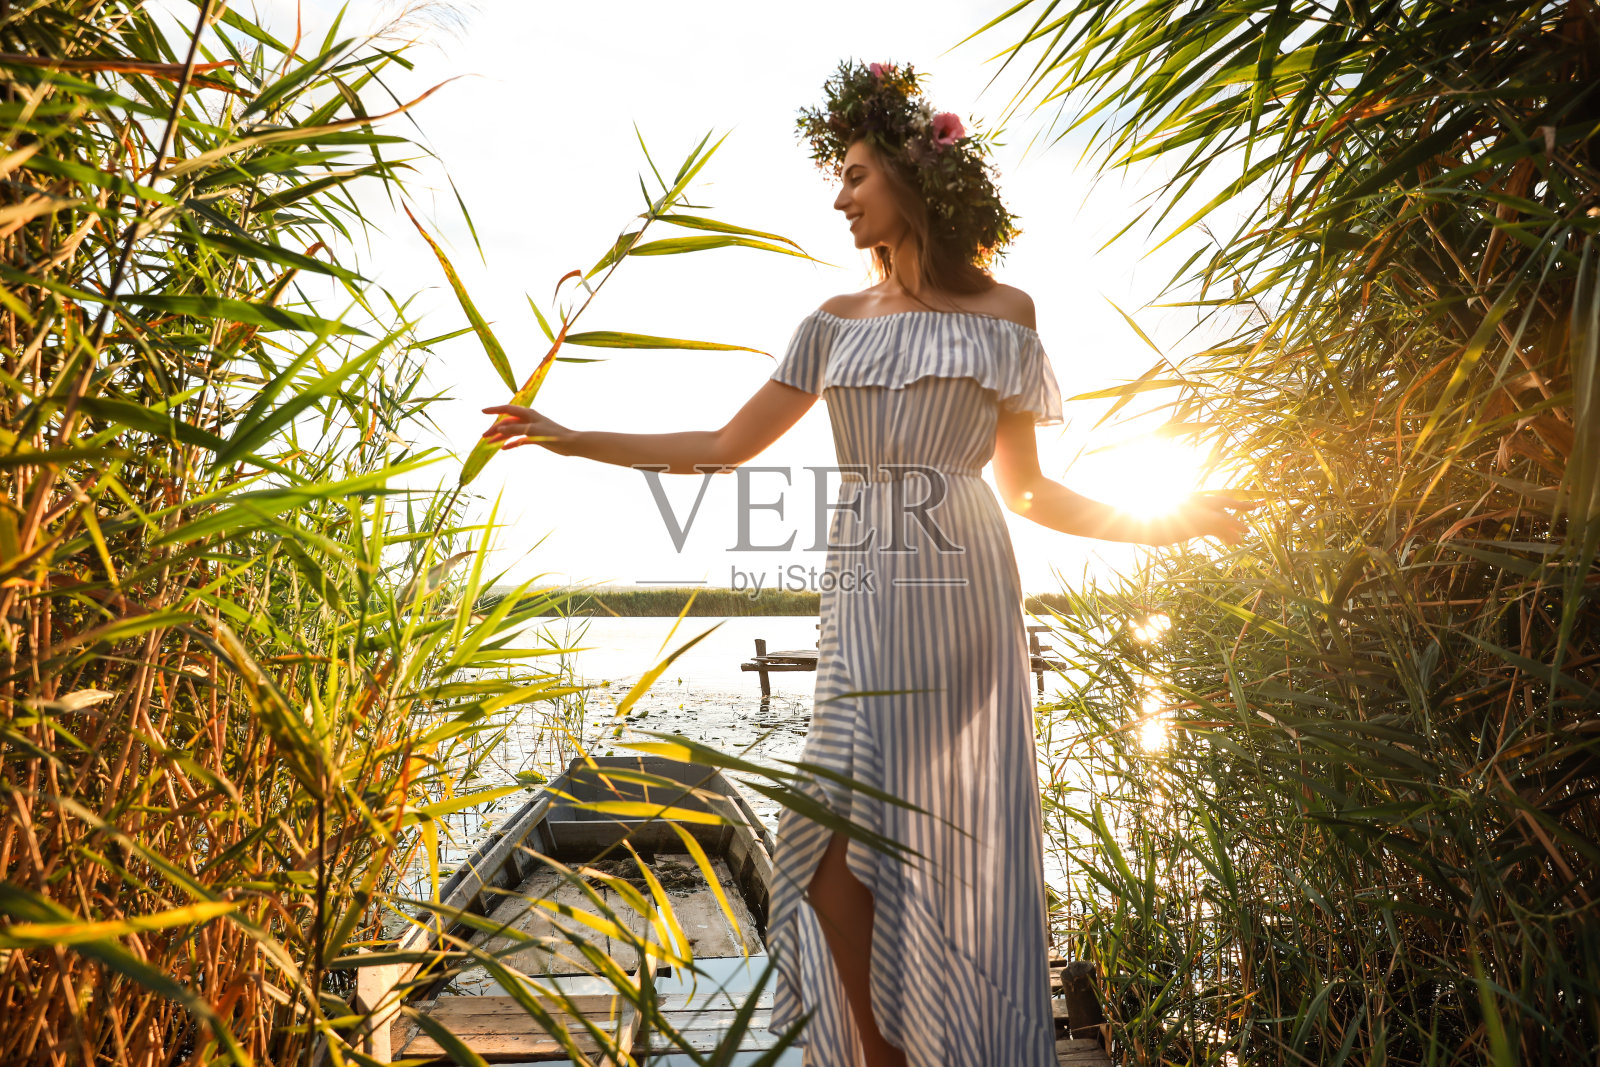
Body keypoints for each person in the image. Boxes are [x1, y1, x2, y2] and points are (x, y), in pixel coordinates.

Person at [482, 59, 1253, 1067]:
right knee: (822, 849)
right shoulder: (833, 323)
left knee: (949, 831)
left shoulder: (1007, 314)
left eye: (854, 176)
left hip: (963, 587)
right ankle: (886, 1053)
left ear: (911, 178)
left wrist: (1174, 518)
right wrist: (573, 437)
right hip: (861, 585)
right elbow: (721, 446)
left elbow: (1029, 492)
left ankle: (959, 1041)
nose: (839, 197)